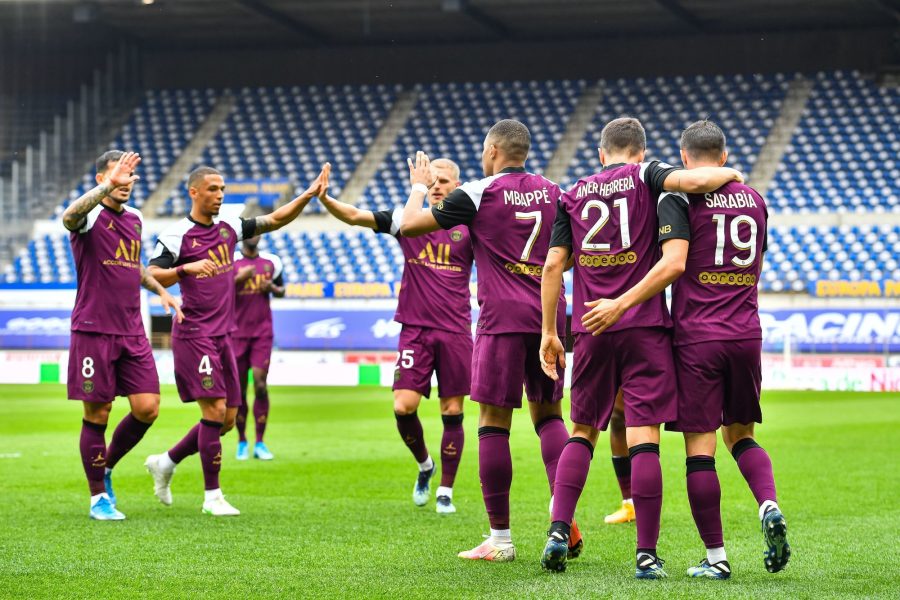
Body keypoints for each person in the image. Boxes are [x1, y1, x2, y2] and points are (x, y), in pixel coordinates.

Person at [538, 117, 743, 576]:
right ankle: (646, 555)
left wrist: (550, 332)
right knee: (643, 436)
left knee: (582, 429)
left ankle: (557, 529)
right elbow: (695, 179)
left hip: (591, 325)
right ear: (641, 150)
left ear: (600, 153)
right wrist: (730, 174)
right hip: (645, 324)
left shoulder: (573, 193)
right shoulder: (648, 176)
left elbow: (553, 265)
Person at [399, 119, 580, 563]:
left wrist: (420, 187)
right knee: (550, 417)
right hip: (549, 317)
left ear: (494, 149)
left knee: (494, 422)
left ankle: (500, 540)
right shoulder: (557, 192)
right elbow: (573, 255)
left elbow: (409, 225)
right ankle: (563, 521)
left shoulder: (479, 192)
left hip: (501, 318)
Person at [143, 163, 329, 516]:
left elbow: (273, 220)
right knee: (213, 411)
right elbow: (152, 275)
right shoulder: (176, 235)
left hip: (225, 335)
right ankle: (213, 496)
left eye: (223, 188)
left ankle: (166, 461)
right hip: (195, 333)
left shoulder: (228, 229)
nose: (220, 195)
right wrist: (185, 269)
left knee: (227, 420)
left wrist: (307, 196)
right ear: (194, 192)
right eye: (212, 188)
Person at [654, 120, 787, 578]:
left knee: (700, 449)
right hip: (746, 332)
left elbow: (674, 262)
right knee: (742, 434)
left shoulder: (682, 197)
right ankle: (768, 504)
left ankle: (716, 558)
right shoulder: (756, 200)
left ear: (685, 158)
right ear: (724, 157)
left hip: (698, 336)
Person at [318, 158, 473, 514]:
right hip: (415, 330)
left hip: (455, 331)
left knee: (453, 410)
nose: (436, 185)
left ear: (457, 185)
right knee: (403, 407)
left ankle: (446, 490)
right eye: (430, 180)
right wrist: (326, 200)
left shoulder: (470, 222)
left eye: (444, 180)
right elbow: (357, 215)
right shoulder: (407, 219)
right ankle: (425, 465)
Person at [62, 150, 183, 520]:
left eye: (131, 177)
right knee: (98, 413)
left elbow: (134, 266)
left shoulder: (135, 219)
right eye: (120, 176)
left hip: (132, 331)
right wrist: (107, 186)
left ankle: (107, 467)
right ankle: (98, 496)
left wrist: (159, 288)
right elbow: (69, 217)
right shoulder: (88, 216)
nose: (128, 183)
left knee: (148, 408)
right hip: (93, 330)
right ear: (102, 179)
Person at [232, 235, 285, 461]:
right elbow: (217, 292)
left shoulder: (272, 262)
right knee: (240, 390)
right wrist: (236, 279)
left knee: (261, 385)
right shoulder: (231, 262)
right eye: (250, 232)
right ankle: (242, 440)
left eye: (257, 232)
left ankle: (260, 442)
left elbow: (282, 290)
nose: (254, 236)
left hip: (262, 334)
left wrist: (270, 287)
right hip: (235, 334)